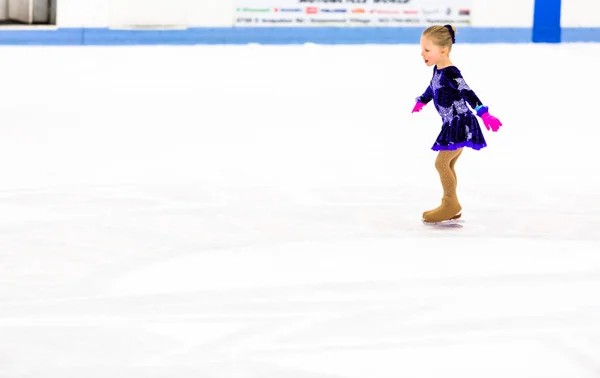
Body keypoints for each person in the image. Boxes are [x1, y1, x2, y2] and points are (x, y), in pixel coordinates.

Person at [412, 24, 502, 224]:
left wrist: (484, 113)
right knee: (448, 163)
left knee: (441, 163)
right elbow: (432, 87)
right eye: (422, 49)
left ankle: (450, 204)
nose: (422, 54)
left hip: (460, 123)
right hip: (452, 124)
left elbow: (467, 92)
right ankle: (450, 205)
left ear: (443, 50)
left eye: (427, 50)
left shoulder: (452, 72)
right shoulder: (438, 70)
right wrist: (422, 100)